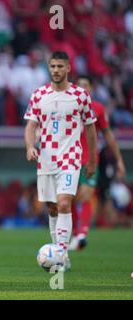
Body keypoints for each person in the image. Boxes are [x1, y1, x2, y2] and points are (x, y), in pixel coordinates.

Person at [24, 51, 97, 271]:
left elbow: (91, 129)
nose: (56, 70)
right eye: (52, 66)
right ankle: (58, 251)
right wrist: (29, 147)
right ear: (49, 67)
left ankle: (62, 256)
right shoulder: (39, 95)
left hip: (71, 157)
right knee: (52, 208)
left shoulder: (80, 95)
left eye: (60, 66)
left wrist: (91, 159)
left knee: (65, 203)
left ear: (68, 68)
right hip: (46, 159)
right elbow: (31, 126)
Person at [69, 75, 126, 250]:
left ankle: (81, 234)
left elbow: (108, 135)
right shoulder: (68, 108)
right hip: (69, 159)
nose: (84, 89)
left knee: (86, 195)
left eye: (87, 85)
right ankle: (75, 233)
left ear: (91, 90)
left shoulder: (98, 109)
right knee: (69, 199)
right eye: (80, 86)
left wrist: (119, 160)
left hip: (90, 160)